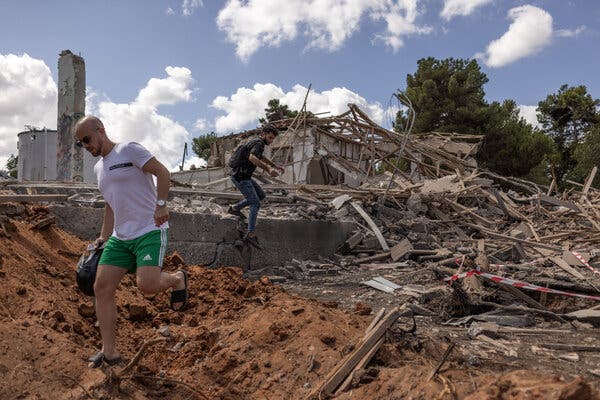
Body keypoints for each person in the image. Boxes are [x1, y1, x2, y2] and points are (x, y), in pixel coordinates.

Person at [74, 116, 188, 368]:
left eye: (87, 139)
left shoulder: (128, 150)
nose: (86, 146)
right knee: (101, 287)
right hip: (120, 237)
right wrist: (103, 238)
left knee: (147, 286)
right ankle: (109, 352)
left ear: (100, 131)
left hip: (149, 228)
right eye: (81, 144)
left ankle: (177, 278)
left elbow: (162, 172)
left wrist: (161, 205)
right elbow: (110, 205)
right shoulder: (99, 169)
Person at [227, 124, 284, 248]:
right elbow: (253, 158)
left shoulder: (257, 143)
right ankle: (250, 233)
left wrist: (273, 165)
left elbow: (260, 156)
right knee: (255, 203)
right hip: (240, 177)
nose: (271, 140)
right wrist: (268, 169)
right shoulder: (258, 143)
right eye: (270, 137)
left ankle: (235, 208)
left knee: (261, 195)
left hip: (244, 176)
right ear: (263, 134)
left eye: (273, 138)